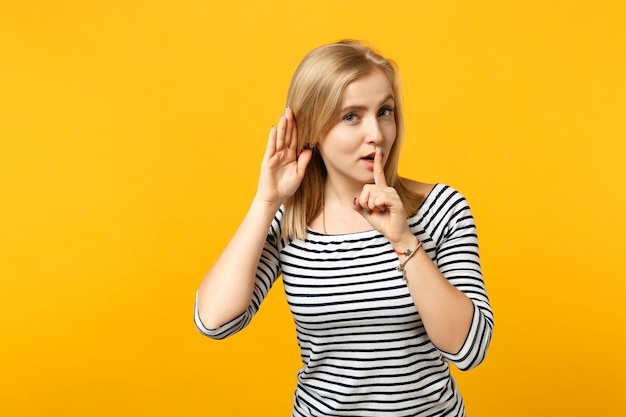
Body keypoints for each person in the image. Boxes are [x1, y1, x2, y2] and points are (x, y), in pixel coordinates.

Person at [194, 40, 493, 417]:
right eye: (351, 116)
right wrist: (266, 202)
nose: (377, 133)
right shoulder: (291, 219)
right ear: (313, 129)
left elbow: (470, 348)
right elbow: (214, 321)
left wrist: (403, 239)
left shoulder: (440, 209)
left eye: (384, 111)